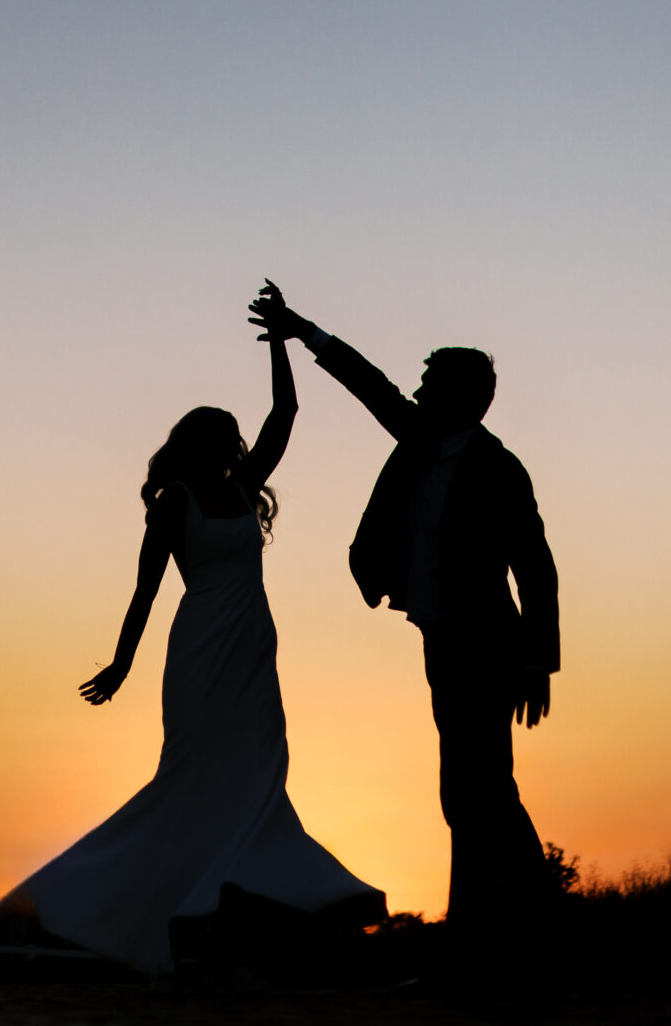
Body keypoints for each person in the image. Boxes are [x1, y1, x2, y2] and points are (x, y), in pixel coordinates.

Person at [0, 320, 382, 974]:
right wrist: (121, 663)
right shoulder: (175, 501)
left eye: (232, 436)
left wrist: (280, 341)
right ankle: (125, 903)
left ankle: (232, 922)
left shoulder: (241, 487)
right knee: (193, 780)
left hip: (253, 651)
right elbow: (145, 588)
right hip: (201, 651)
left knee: (259, 778)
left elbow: (286, 412)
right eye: (221, 435)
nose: (232, 443)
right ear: (196, 444)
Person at [247, 280, 558, 954]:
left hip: (488, 646)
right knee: (468, 791)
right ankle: (497, 934)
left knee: (480, 789)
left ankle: (526, 923)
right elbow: (369, 384)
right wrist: (302, 329)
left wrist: (537, 661)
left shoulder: (498, 468)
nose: (415, 393)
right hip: (441, 638)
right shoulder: (420, 438)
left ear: (462, 397)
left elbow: (535, 566)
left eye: (429, 384)